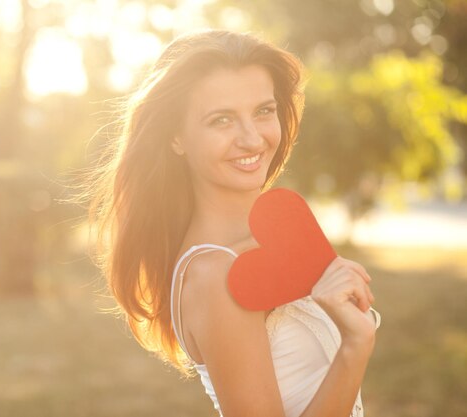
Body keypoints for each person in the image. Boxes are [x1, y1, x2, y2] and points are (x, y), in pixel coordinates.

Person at [86, 29, 381, 417]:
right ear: (177, 138)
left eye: (263, 110)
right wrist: (354, 347)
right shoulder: (216, 276)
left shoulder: (276, 238)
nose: (252, 138)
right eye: (221, 120)